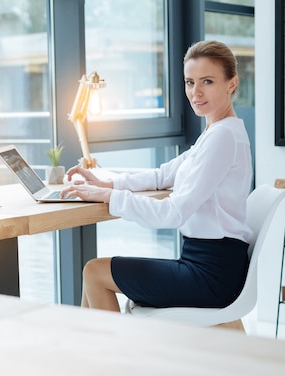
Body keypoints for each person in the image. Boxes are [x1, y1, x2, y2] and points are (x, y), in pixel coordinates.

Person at [60, 40, 253, 312]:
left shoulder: (223, 137)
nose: (195, 92)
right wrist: (108, 183)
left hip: (211, 274)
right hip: (208, 264)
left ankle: (111, 353)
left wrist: (110, 195)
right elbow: (163, 175)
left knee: (94, 272)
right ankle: (91, 350)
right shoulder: (216, 133)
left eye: (207, 81)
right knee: (95, 271)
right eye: (189, 82)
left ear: (231, 84)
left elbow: (172, 214)